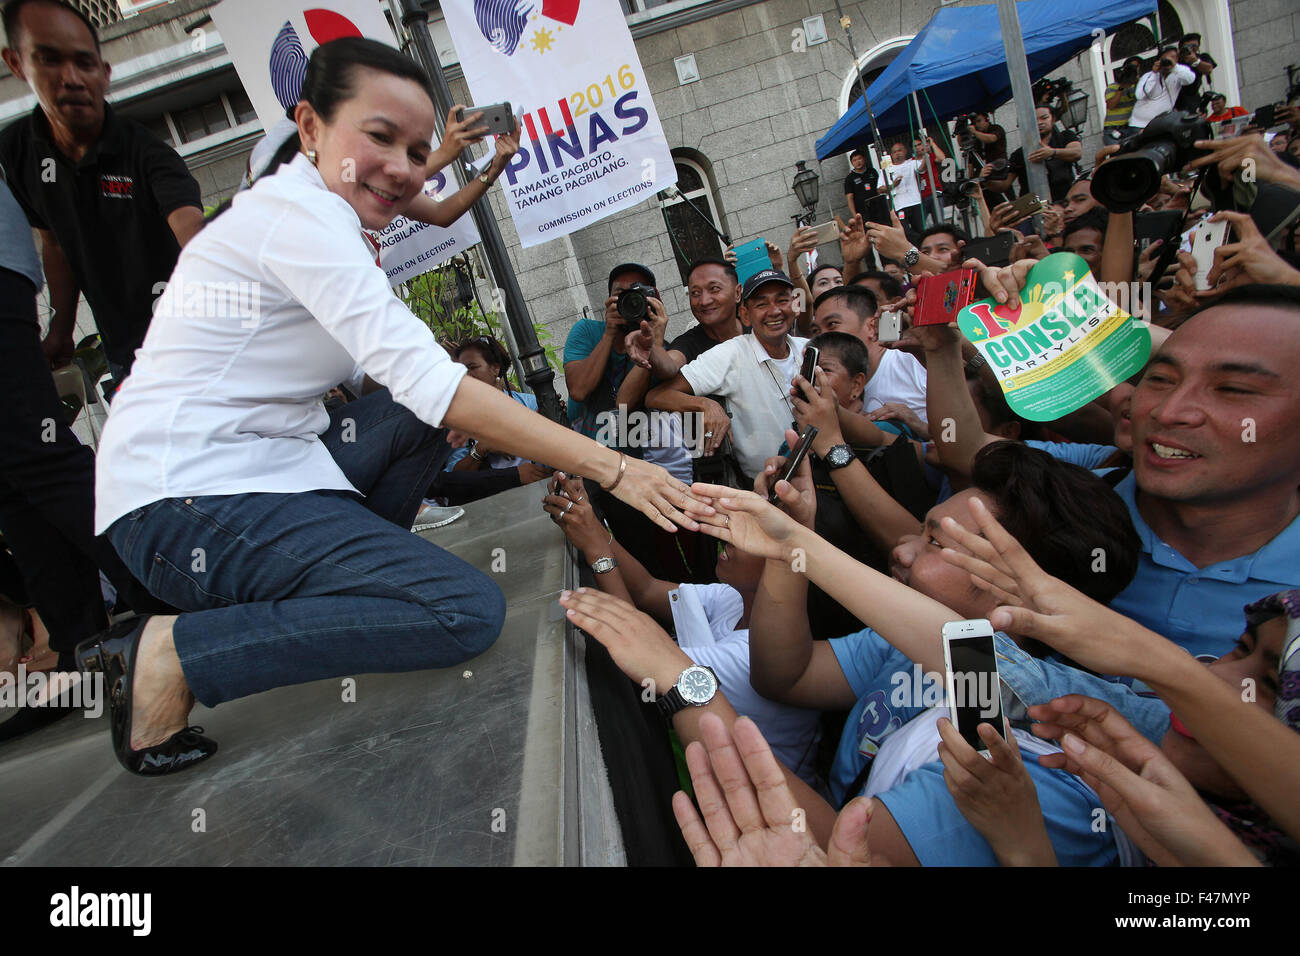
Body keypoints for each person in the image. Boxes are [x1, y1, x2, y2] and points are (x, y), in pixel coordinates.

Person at [81, 38, 706, 778]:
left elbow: (423, 348)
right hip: (180, 499)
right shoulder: (300, 221)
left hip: (273, 464)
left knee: (421, 406)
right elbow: (434, 387)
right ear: (308, 128)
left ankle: (360, 582)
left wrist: (461, 160)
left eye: (418, 148)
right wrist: (615, 467)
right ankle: (170, 654)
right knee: (464, 612)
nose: (406, 166)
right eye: (380, 137)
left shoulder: (333, 213)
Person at [0, 0, 205, 382]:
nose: (72, 78)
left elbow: (192, 230)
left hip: (194, 339)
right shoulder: (16, 152)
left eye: (84, 63)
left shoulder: (146, 154)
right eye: (49, 59)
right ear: (16, 64)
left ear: (104, 73)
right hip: (126, 353)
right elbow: (55, 244)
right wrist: (61, 329)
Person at [645, 269, 808, 484]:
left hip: (821, 473)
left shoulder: (809, 350)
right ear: (746, 314)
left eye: (782, 300)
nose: (774, 311)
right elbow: (656, 396)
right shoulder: (729, 354)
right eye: (762, 304)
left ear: (796, 305)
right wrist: (705, 405)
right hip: (766, 487)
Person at [563, 262, 661, 440]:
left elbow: (625, 403)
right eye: (620, 295)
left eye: (636, 294)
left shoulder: (657, 348)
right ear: (609, 301)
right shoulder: (586, 330)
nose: (629, 301)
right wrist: (609, 334)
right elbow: (578, 390)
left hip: (635, 455)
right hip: (586, 450)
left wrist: (655, 338)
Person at [1005, 106, 1082, 202]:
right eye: (1033, 120)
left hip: (1064, 202)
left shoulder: (1065, 136)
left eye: (1044, 118)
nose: (1039, 123)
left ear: (1053, 119)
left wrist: (1052, 152)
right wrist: (987, 178)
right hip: (1035, 206)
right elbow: (1004, 184)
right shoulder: (1019, 154)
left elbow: (1077, 153)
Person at [1130, 46, 1196, 131]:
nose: (1168, 60)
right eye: (1165, 58)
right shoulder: (1148, 75)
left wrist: (1174, 66)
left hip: (1160, 124)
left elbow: (1190, 79)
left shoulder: (1178, 74)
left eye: (1172, 57)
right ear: (1159, 60)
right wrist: (1154, 74)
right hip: (1139, 124)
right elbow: (1139, 95)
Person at [884, 141, 925, 236]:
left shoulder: (912, 162)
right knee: (905, 232)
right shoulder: (887, 169)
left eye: (899, 150)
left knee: (920, 230)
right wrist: (893, 185)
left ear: (905, 151)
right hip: (900, 206)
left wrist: (926, 155)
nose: (897, 153)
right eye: (894, 152)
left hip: (915, 202)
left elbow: (921, 169)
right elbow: (880, 189)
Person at [1173, 33, 1217, 115]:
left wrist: (1195, 61)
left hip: (1193, 98)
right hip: (1175, 99)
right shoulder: (1176, 60)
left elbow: (1208, 69)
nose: (1192, 49)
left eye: (1195, 46)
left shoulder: (1202, 57)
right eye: (1189, 46)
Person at [1103, 57, 1144, 140]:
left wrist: (1138, 81)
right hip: (1113, 129)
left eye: (1137, 67)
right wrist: (1122, 86)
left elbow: (1142, 99)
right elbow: (1111, 105)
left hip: (1130, 128)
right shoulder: (1112, 87)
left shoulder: (1140, 86)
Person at [842, 149, 881, 222]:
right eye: (854, 160)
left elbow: (879, 188)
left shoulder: (872, 171)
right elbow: (850, 198)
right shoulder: (849, 178)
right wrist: (855, 216)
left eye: (859, 158)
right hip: (863, 211)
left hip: (877, 207)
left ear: (864, 159)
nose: (858, 162)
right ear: (852, 163)